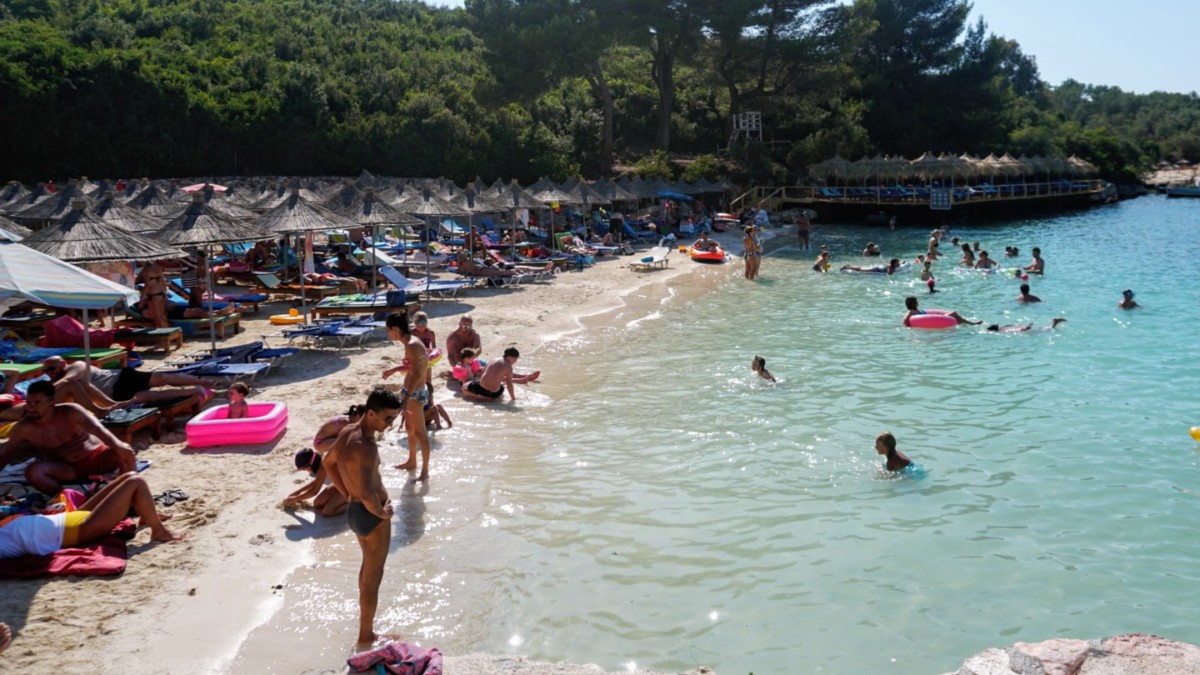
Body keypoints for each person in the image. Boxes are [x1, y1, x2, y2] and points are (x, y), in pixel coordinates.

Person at [322, 387, 400, 646]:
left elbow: (327, 462)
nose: (390, 424)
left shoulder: (347, 432)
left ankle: (365, 628)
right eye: (387, 418)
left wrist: (346, 494)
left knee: (367, 570)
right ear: (371, 413)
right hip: (371, 515)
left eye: (394, 419)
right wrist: (383, 513)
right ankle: (366, 635)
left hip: (355, 512)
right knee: (373, 577)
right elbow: (368, 492)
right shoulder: (365, 447)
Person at [0, 471, 184, 559]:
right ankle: (158, 531)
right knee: (136, 482)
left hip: (75, 516)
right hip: (81, 529)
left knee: (129, 476)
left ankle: (146, 514)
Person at [0, 381, 137, 495]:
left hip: (96, 457)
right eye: (29, 403)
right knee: (33, 472)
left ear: (51, 402)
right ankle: (65, 497)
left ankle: (129, 495)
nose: (31, 408)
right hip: (67, 468)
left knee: (125, 452)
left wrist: (118, 445)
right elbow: (6, 454)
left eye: (37, 403)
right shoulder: (24, 427)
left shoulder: (70, 411)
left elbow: (98, 429)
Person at [42, 355, 215, 407]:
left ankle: (204, 382)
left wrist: (44, 390)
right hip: (114, 394)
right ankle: (194, 391)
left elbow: (69, 380)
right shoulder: (54, 383)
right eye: (46, 371)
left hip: (120, 378)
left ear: (63, 363)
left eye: (52, 368)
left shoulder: (76, 366)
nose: (49, 373)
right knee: (152, 397)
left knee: (163, 378)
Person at [383, 313, 431, 483]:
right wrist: (394, 370)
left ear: (395, 329)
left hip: (415, 394)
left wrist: (406, 398)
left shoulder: (411, 344)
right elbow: (411, 367)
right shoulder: (410, 342)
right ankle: (412, 461)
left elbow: (418, 373)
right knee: (410, 429)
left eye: (389, 331)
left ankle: (425, 472)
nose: (389, 334)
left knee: (420, 433)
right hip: (410, 390)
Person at [902, 295, 981, 327]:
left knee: (954, 315)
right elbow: (905, 319)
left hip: (934, 320)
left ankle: (968, 323)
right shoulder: (911, 311)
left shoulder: (917, 310)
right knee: (954, 313)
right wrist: (909, 328)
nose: (918, 303)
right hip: (933, 321)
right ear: (912, 304)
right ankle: (971, 323)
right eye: (916, 302)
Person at [135, 261, 169, 329]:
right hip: (161, 293)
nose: (139, 262)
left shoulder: (146, 270)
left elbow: (147, 285)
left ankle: (165, 335)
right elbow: (163, 282)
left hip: (154, 295)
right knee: (162, 316)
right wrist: (166, 293)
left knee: (157, 317)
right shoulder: (157, 267)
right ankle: (166, 333)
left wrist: (141, 299)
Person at [986, 318, 1067, 333]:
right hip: (1022, 327)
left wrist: (1026, 328)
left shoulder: (1002, 330)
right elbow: (1014, 326)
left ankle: (1054, 323)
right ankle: (1054, 323)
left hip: (1025, 329)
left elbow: (1016, 330)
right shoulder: (1004, 326)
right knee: (1041, 329)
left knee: (1042, 331)